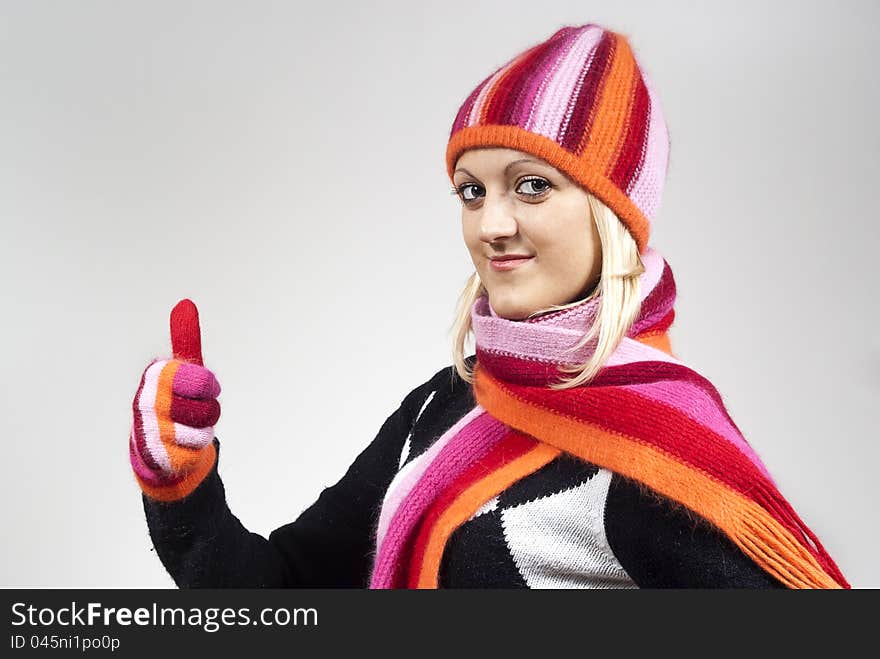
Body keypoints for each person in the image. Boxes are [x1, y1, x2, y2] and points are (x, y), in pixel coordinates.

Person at [129, 22, 850, 589]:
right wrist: (181, 482)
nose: (491, 225)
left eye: (532, 185)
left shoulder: (659, 456)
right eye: (472, 190)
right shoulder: (442, 407)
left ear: (614, 213)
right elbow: (277, 596)